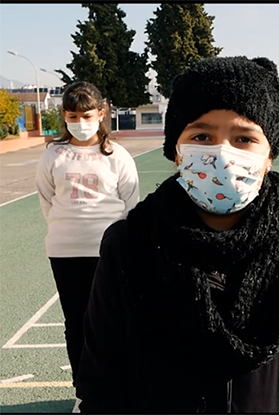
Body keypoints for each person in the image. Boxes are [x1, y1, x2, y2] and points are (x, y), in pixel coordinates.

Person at [74, 56, 279, 413]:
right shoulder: (128, 246)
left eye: (244, 138)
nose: (222, 154)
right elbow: (103, 389)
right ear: (176, 151)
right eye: (202, 136)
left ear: (269, 154)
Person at [35, 81, 139, 396]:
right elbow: (46, 199)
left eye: (87, 115)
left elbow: (131, 203)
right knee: (76, 322)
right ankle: (84, 392)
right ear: (64, 116)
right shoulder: (54, 154)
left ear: (101, 114)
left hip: (108, 251)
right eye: (73, 116)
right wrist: (68, 226)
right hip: (65, 250)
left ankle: (118, 388)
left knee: (113, 321)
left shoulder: (116, 154)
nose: (80, 123)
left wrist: (118, 243)